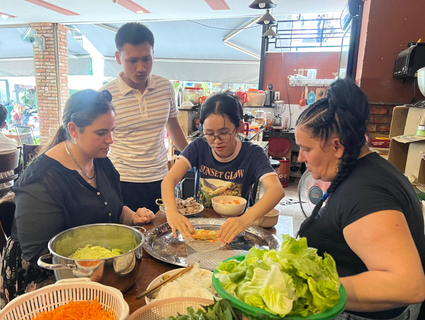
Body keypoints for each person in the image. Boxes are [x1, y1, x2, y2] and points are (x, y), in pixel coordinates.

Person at [0, 89, 155, 307]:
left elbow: (114, 210)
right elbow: (38, 255)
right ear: (73, 129)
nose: (110, 139)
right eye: (101, 132)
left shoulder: (99, 160)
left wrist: (132, 217)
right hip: (48, 278)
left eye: (112, 130)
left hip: (95, 269)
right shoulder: (42, 180)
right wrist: (92, 264)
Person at [295, 78, 425, 320]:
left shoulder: (366, 193)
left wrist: (305, 291)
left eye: (307, 149)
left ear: (337, 146)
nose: (301, 157)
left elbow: (409, 285)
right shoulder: (368, 169)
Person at [161, 92, 284, 244]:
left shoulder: (253, 154)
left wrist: (246, 219)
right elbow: (169, 180)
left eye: (224, 133)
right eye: (209, 134)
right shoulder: (199, 146)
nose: (216, 141)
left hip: (234, 230)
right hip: (200, 227)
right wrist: (171, 211)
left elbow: (276, 190)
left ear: (239, 127)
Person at [99, 22, 188, 213]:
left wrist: (193, 157)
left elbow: (173, 126)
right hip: (122, 180)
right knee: (129, 238)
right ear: (118, 57)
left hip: (161, 179)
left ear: (154, 54)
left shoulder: (165, 87)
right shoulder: (105, 95)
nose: (141, 68)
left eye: (146, 59)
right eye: (132, 61)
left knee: (163, 235)